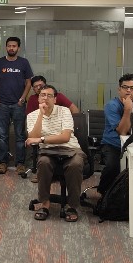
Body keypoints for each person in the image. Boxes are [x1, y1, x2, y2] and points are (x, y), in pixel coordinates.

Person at [25, 84, 86, 222]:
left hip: (70, 149)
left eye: (49, 96)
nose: (45, 98)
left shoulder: (64, 111)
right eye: (42, 95)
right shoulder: (32, 116)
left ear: (55, 99)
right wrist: (41, 114)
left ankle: (72, 206)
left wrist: (41, 139)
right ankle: (45, 204)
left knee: (76, 164)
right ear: (38, 98)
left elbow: (65, 137)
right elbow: (32, 138)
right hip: (48, 151)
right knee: (43, 162)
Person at [0, 36, 34, 176]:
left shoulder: (23, 62)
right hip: (2, 104)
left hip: (18, 105)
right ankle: (3, 162)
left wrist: (23, 98)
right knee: (2, 136)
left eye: (14, 46)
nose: (11, 48)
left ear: (18, 48)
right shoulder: (0, 62)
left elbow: (29, 82)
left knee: (20, 135)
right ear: (6, 47)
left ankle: (20, 163)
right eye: (9, 46)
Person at [95, 73, 133, 199]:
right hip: (113, 144)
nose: (128, 90)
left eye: (132, 88)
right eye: (125, 87)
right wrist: (128, 109)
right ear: (119, 89)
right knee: (112, 166)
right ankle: (104, 194)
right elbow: (123, 132)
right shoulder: (112, 105)